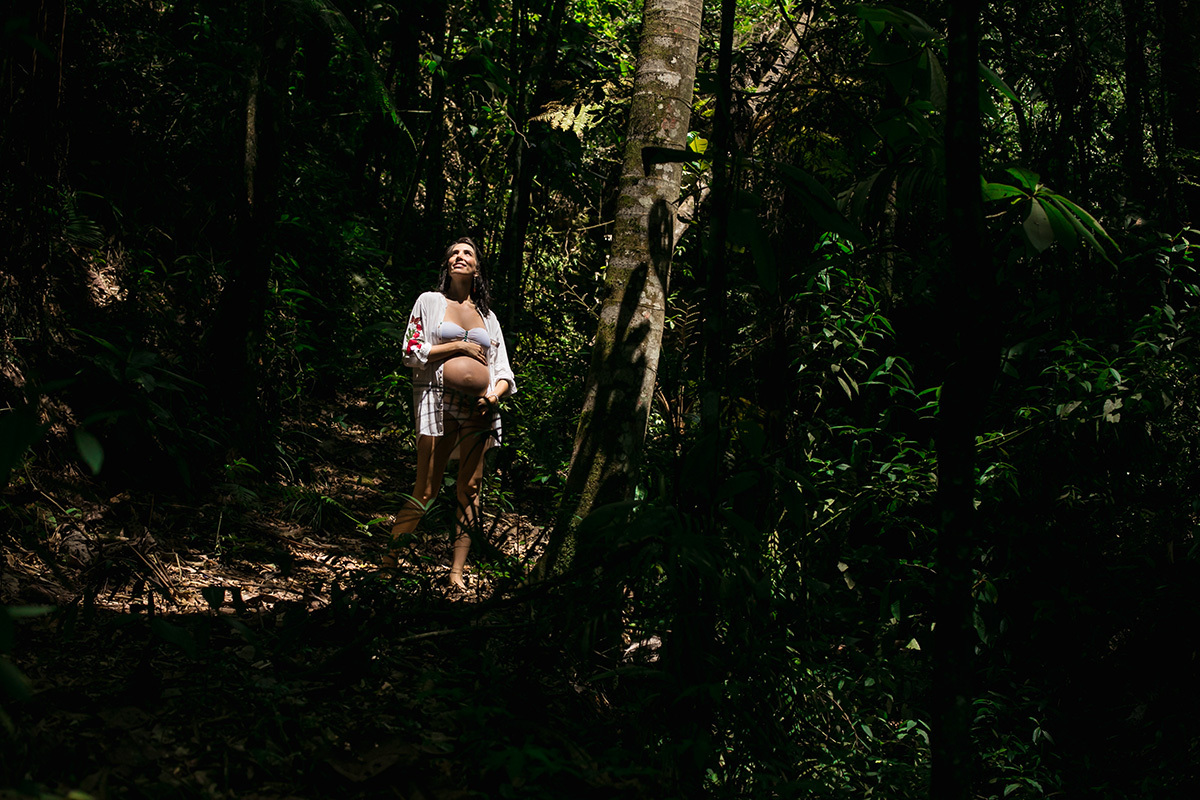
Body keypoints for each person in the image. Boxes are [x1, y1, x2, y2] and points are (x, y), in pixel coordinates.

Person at [384, 237, 515, 591]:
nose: (459, 257)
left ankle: (456, 572)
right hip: (437, 399)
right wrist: (457, 345)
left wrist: (493, 397)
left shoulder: (488, 317)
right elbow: (411, 350)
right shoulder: (430, 303)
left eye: (467, 253)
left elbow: (503, 372)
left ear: (477, 268)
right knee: (426, 487)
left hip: (479, 409)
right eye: (454, 253)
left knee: (470, 488)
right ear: (447, 265)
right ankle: (389, 562)